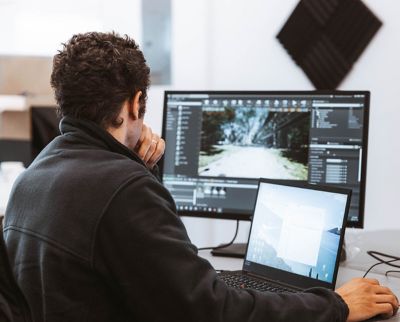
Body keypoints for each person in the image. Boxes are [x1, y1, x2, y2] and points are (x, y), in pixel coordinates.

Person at [3, 32, 398, 322]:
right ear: (136, 102)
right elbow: (213, 309)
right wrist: (337, 305)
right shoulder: (122, 188)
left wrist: (138, 167)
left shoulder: (32, 179)